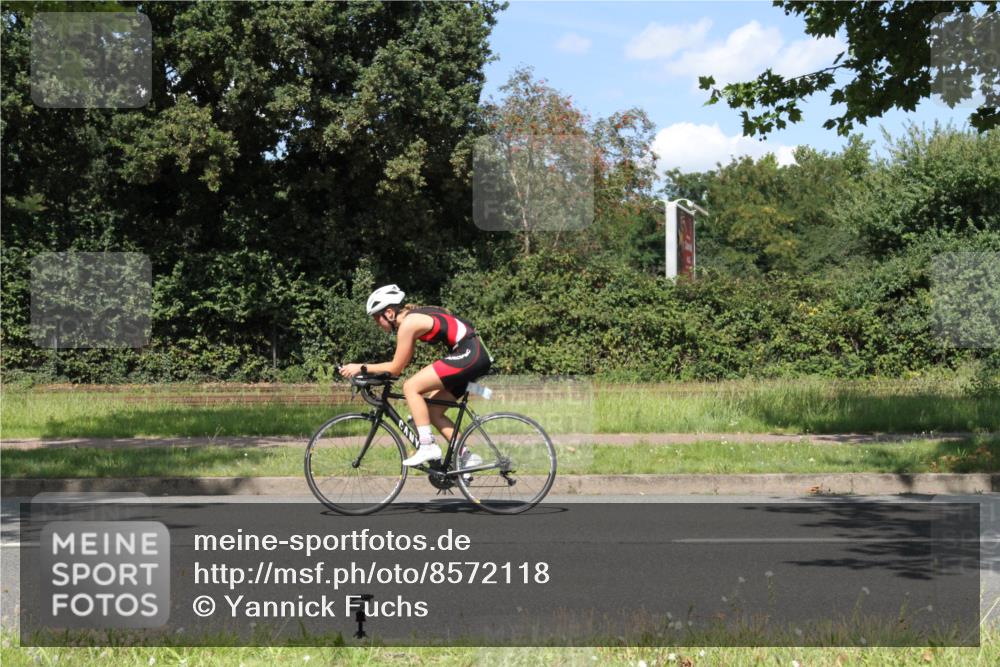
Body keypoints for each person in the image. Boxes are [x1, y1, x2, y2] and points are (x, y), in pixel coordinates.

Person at [339, 284, 492, 467]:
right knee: (432, 411)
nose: (376, 323)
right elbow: (401, 364)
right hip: (474, 354)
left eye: (376, 318)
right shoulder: (415, 317)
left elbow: (396, 369)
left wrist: (360, 367)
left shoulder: (408, 324)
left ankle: (427, 446)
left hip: (470, 353)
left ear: (389, 313)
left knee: (411, 387)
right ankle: (467, 458)